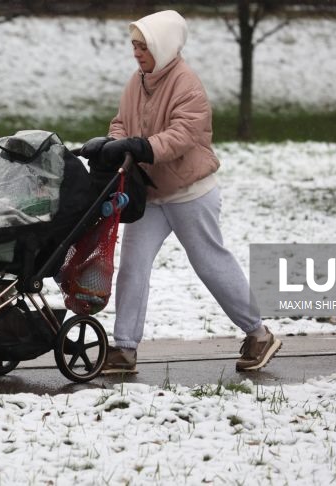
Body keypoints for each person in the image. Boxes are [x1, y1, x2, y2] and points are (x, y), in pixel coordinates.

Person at [80, 10, 281, 374]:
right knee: (132, 268)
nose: (137, 53)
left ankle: (259, 334)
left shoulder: (187, 85)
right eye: (134, 46)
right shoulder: (137, 81)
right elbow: (121, 121)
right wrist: (113, 142)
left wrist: (142, 146)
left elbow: (183, 134)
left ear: (164, 46)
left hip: (191, 193)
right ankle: (124, 349)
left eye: (144, 46)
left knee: (210, 264)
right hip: (150, 195)